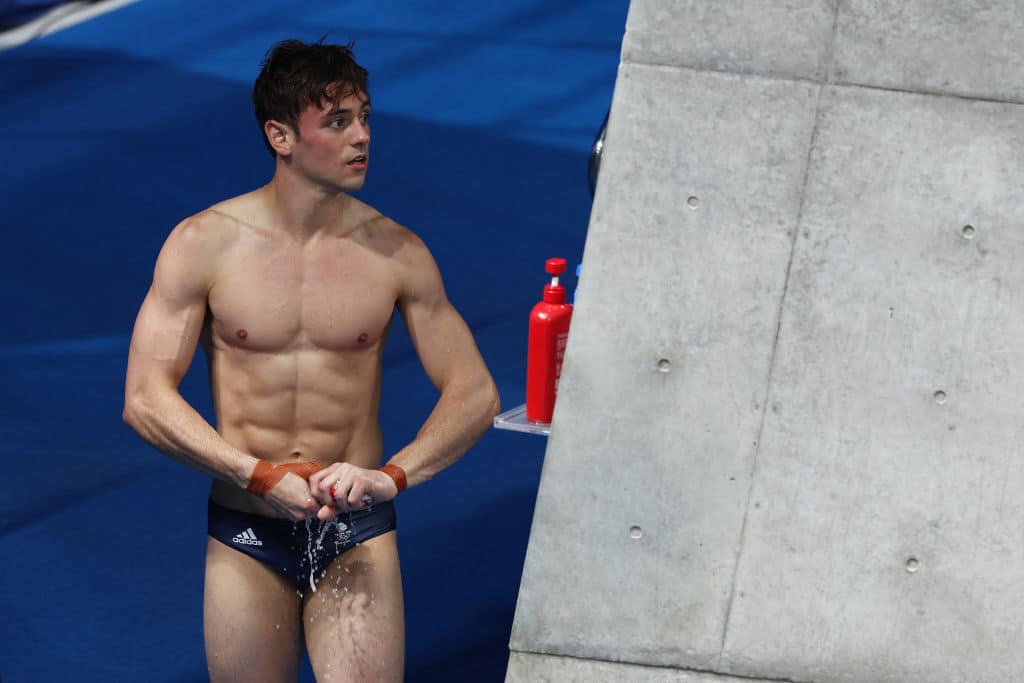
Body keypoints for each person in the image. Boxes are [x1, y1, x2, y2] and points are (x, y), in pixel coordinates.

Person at [122, 38, 501, 683]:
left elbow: (475, 394)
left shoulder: (396, 252)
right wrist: (255, 475)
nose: (362, 137)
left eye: (364, 117)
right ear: (280, 136)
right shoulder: (204, 244)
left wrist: (394, 477)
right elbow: (144, 399)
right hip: (247, 528)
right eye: (337, 122)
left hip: (356, 530)